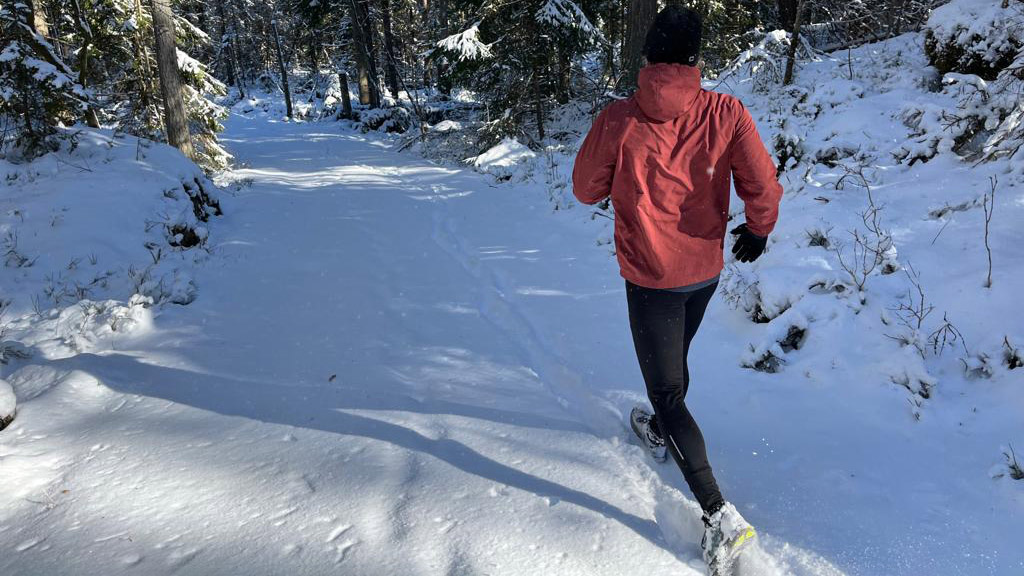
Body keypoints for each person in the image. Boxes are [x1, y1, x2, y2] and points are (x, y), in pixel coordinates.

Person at [571, 5, 784, 573]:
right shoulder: (727, 111)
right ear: (695, 59)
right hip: (705, 270)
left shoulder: (619, 118)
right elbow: (761, 183)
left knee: (666, 389)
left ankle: (720, 517)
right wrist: (759, 229)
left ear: (647, 56)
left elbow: (583, 190)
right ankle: (666, 426)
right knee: (674, 361)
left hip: (650, 275)